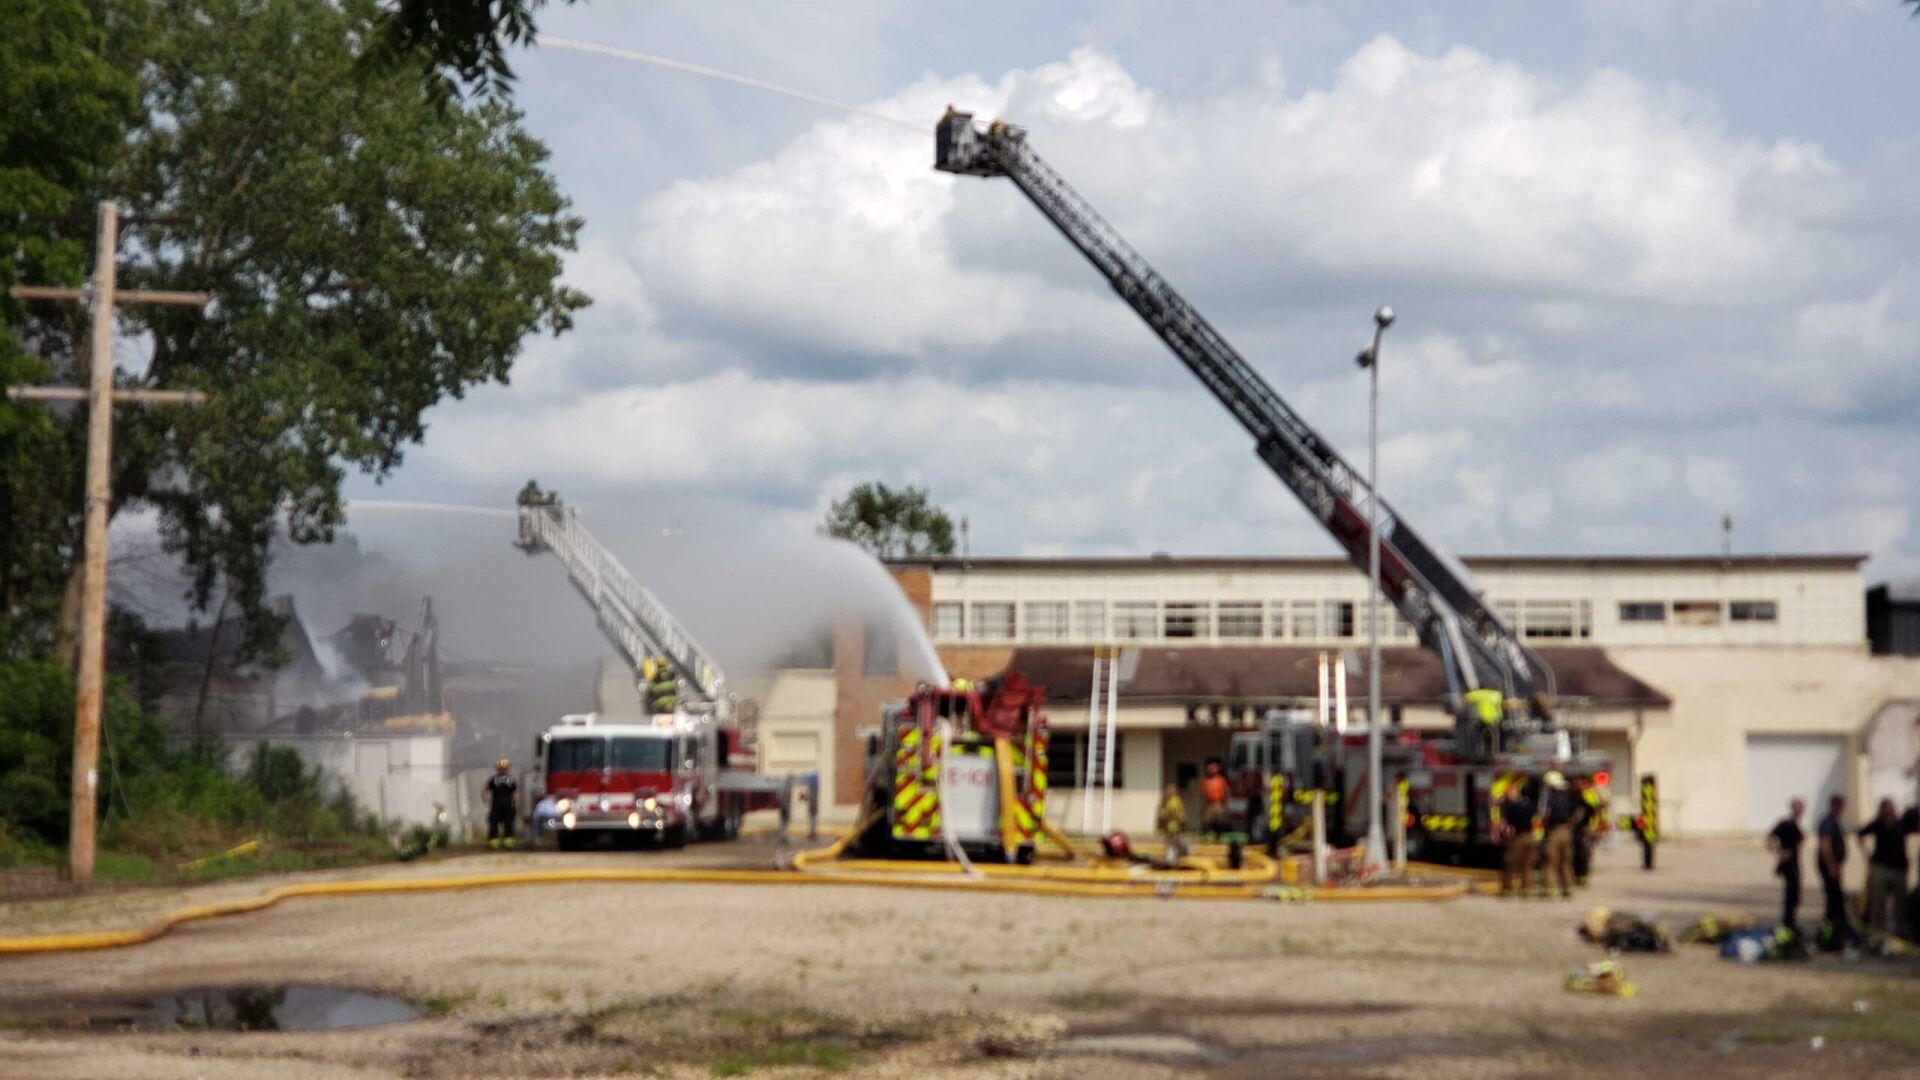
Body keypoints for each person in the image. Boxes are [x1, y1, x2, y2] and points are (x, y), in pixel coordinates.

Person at [1856, 797, 1915, 935]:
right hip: (1881, 867)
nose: (1890, 810)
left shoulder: (1902, 823)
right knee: (1878, 902)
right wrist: (1867, 853)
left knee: (1900, 902)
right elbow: (1860, 834)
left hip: (1899, 869)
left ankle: (1899, 929)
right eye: (1887, 808)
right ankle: (1877, 930)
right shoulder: (1877, 824)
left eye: (1892, 807)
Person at [1815, 794, 1855, 950]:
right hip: (1829, 866)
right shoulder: (1827, 822)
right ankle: (1831, 931)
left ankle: (1837, 928)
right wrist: (1831, 865)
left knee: (1836, 898)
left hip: (1835, 866)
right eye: (1837, 806)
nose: (1840, 810)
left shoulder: (1836, 822)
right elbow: (1825, 844)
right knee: (1833, 898)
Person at [1766, 797, 1806, 935]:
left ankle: (1791, 922)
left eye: (1802, 808)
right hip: (1788, 865)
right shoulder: (1785, 824)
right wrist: (1779, 852)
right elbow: (1770, 837)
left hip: (1795, 864)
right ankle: (1787, 924)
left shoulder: (1796, 825)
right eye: (1798, 808)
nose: (1800, 811)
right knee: (1790, 895)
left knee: (1795, 895)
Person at [1497, 777, 1539, 897]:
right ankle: (1526, 890)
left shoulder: (1512, 807)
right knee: (1527, 865)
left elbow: (1506, 821)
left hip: (1518, 838)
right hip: (1530, 838)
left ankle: (1507, 888)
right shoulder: (1531, 806)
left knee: (1510, 863)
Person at [1540, 771, 1577, 899]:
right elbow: (1577, 813)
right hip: (1566, 832)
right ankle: (1568, 889)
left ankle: (1550, 889)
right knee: (1565, 861)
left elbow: (1546, 814)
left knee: (1550, 861)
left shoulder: (1550, 798)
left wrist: (1544, 828)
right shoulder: (1568, 797)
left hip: (1554, 832)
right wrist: (1570, 826)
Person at [484, 758, 519, 849]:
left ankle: (508, 840)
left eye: (504, 768)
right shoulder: (493, 779)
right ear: (497, 768)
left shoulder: (511, 779)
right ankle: (493, 841)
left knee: (508, 822)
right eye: (501, 768)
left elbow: (515, 792)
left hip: (508, 802)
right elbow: (487, 789)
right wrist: (487, 799)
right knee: (494, 822)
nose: (502, 769)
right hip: (496, 802)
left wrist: (515, 803)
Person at [1156, 783, 1189, 863]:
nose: (1169, 792)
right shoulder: (1165, 802)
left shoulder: (1173, 801)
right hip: (1170, 827)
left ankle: (1174, 857)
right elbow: (1161, 815)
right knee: (1172, 843)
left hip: (1174, 827)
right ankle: (1173, 857)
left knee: (1174, 843)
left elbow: (1176, 814)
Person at [1200, 759, 1230, 840]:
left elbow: (1225, 791)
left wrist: (1224, 803)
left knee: (1219, 821)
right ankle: (1206, 837)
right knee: (1207, 821)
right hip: (1209, 804)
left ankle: (1219, 837)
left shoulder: (1221, 780)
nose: (1212, 770)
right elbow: (1203, 792)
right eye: (1210, 768)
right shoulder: (1205, 780)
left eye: (1214, 768)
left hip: (1218, 803)